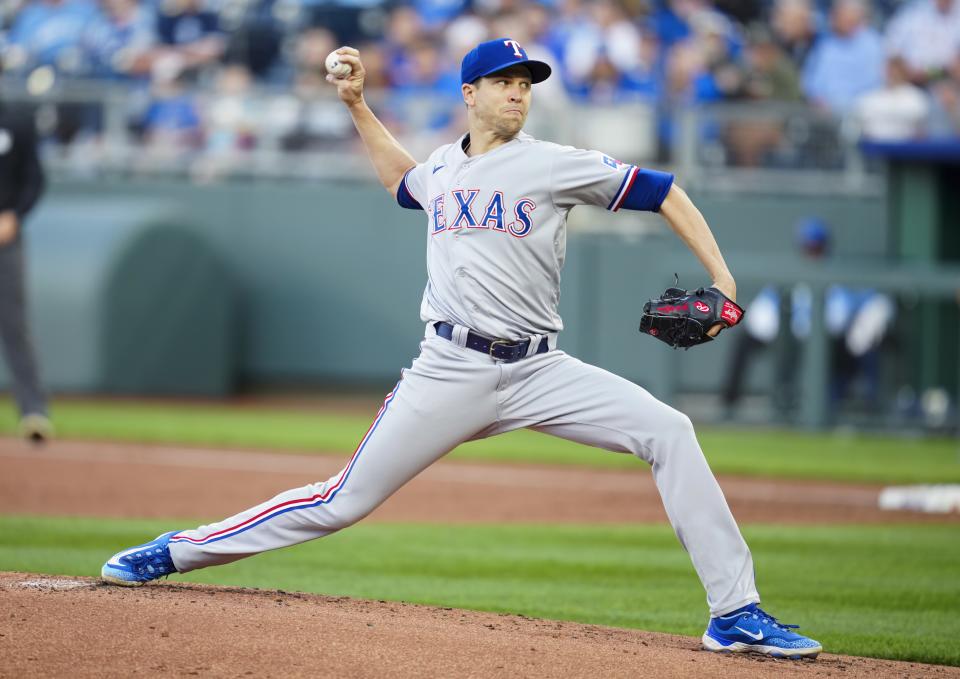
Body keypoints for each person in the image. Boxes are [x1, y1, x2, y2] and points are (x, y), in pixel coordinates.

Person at [100, 38, 822, 659]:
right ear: (470, 93)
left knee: (670, 430)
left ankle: (734, 613)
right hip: (449, 368)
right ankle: (178, 549)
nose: (518, 95)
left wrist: (722, 278)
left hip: (540, 368)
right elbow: (400, 181)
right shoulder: (443, 167)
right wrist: (357, 105)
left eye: (526, 85)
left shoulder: (555, 164)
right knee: (340, 500)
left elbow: (665, 191)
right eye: (505, 84)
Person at [0, 61, 53, 443]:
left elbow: (34, 177)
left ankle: (33, 411)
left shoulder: (15, 119)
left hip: (4, 235)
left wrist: (15, 215)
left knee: (14, 324)